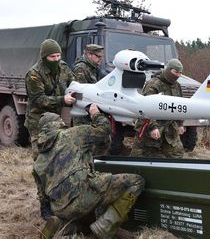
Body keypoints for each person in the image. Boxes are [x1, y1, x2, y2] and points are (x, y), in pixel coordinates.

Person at [35, 104, 145, 239]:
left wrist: (53, 213)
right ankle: (104, 227)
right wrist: (95, 113)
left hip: (61, 208)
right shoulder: (71, 134)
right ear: (58, 123)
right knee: (136, 182)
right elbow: (104, 130)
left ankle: (63, 226)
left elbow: (43, 198)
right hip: (84, 195)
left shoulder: (38, 161)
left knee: (83, 221)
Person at [24, 38, 76, 220]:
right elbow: (38, 100)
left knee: (59, 162)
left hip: (57, 123)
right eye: (53, 56)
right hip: (38, 124)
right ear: (45, 56)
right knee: (42, 165)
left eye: (59, 55)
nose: (56, 59)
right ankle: (44, 205)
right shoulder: (34, 74)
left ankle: (59, 201)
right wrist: (63, 100)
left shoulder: (63, 68)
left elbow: (73, 84)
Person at [73, 44, 128, 155]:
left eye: (101, 56)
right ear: (89, 54)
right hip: (84, 112)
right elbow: (80, 93)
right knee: (85, 141)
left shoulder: (93, 68)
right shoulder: (81, 69)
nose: (101, 59)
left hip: (93, 109)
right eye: (98, 56)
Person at [131, 59, 186, 158]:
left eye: (180, 73)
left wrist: (180, 124)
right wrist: (153, 127)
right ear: (168, 70)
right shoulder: (154, 84)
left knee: (177, 155)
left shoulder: (177, 86)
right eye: (175, 72)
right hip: (149, 125)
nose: (178, 75)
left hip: (169, 128)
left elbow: (180, 105)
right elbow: (145, 107)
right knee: (140, 156)